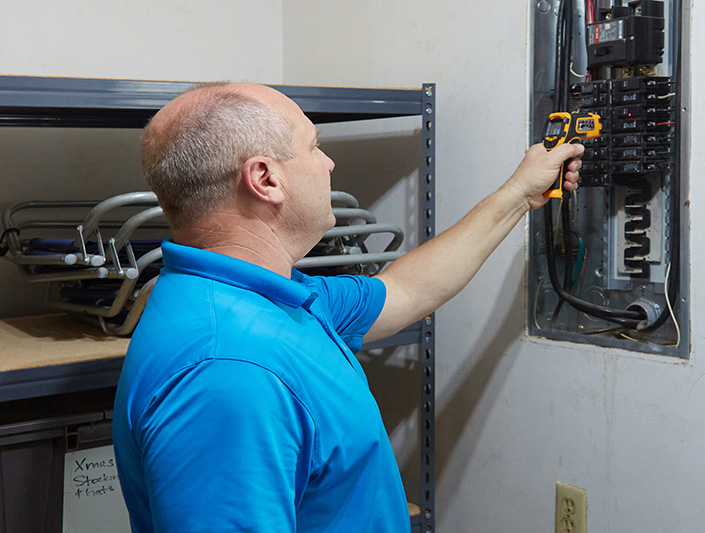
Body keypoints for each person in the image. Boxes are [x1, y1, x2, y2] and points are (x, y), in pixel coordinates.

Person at [112, 82, 582, 533]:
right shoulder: (228, 369)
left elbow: (405, 291)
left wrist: (518, 194)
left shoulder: (267, 299)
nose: (328, 162)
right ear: (266, 179)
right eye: (314, 146)